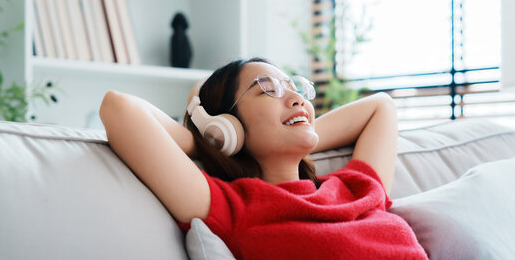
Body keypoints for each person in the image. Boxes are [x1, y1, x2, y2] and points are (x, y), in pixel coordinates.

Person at [99, 57, 428, 259]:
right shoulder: (234, 208)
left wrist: (299, 131)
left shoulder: (356, 188)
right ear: (228, 125)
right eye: (268, 89)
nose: (297, 97)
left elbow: (381, 106)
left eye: (295, 87)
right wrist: (210, 139)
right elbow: (119, 108)